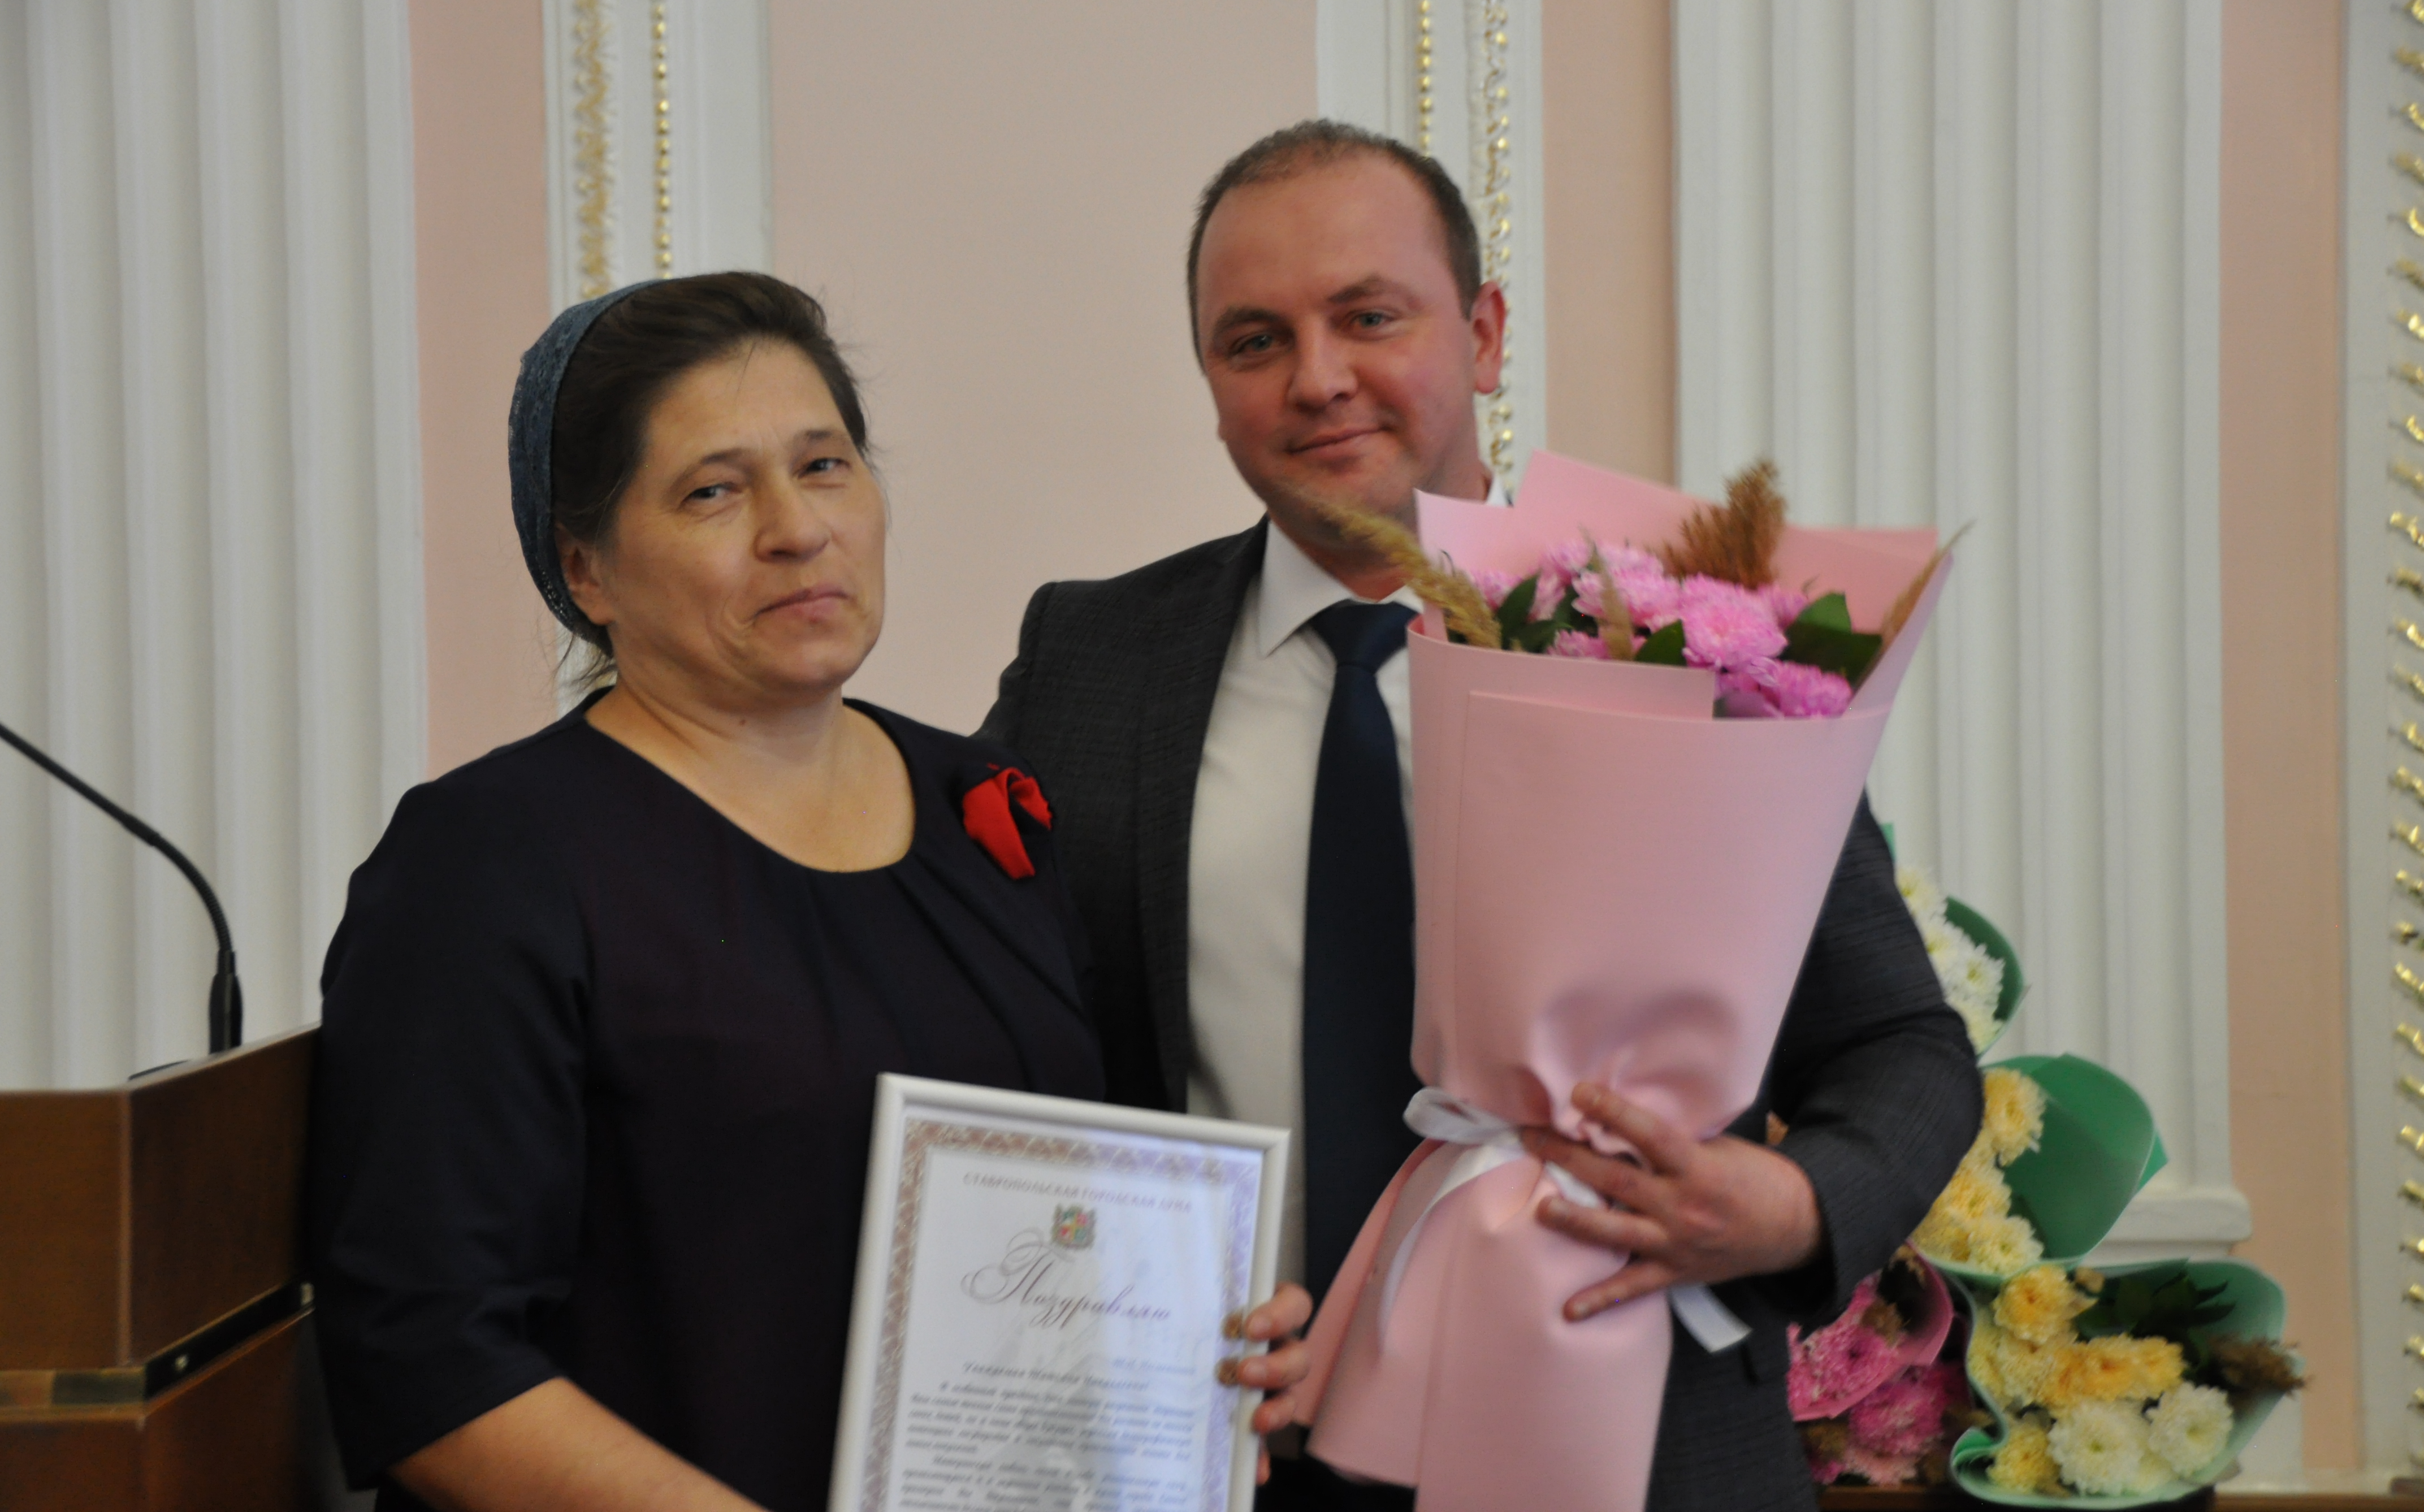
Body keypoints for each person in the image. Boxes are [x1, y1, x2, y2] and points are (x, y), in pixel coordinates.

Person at [977, 122, 1983, 1511]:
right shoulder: (1089, 662)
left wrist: (1795, 1205)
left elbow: (1898, 1041)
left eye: (1368, 316)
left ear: (1484, 331)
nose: (1315, 377)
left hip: (1641, 1442)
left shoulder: (1683, 643)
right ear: (1208, 380)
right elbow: (983, 1024)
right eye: (1253, 339)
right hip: (1221, 1443)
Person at [305, 272, 1309, 1512]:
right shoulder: (487, 863)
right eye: (713, 491)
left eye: (824, 465)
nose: (796, 528)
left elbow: (1062, 1222)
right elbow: (425, 1358)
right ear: (587, 571)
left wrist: (1188, 1343)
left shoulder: (982, 806)